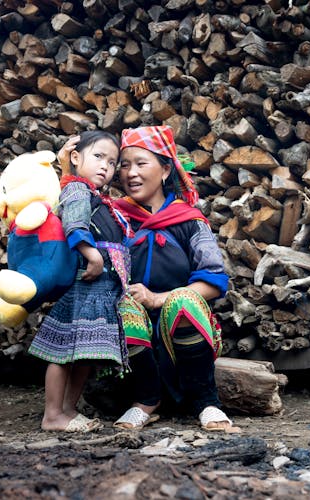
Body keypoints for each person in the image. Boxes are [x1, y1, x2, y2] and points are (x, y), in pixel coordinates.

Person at [59, 125, 239, 432]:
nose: (130, 173)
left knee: (184, 300)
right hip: (131, 337)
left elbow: (213, 279)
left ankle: (206, 401)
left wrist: (158, 298)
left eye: (141, 163)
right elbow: (73, 202)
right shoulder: (114, 215)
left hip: (184, 329)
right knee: (121, 303)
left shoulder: (189, 220)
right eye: (124, 165)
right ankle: (145, 400)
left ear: (166, 169)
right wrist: (67, 166)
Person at [28, 131, 131, 432]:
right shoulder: (76, 190)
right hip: (86, 284)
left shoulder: (96, 195)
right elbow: (74, 224)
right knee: (64, 352)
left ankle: (68, 410)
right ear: (75, 157)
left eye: (112, 163)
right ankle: (52, 414)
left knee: (83, 354)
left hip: (100, 290)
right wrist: (92, 255)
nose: (106, 167)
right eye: (98, 157)